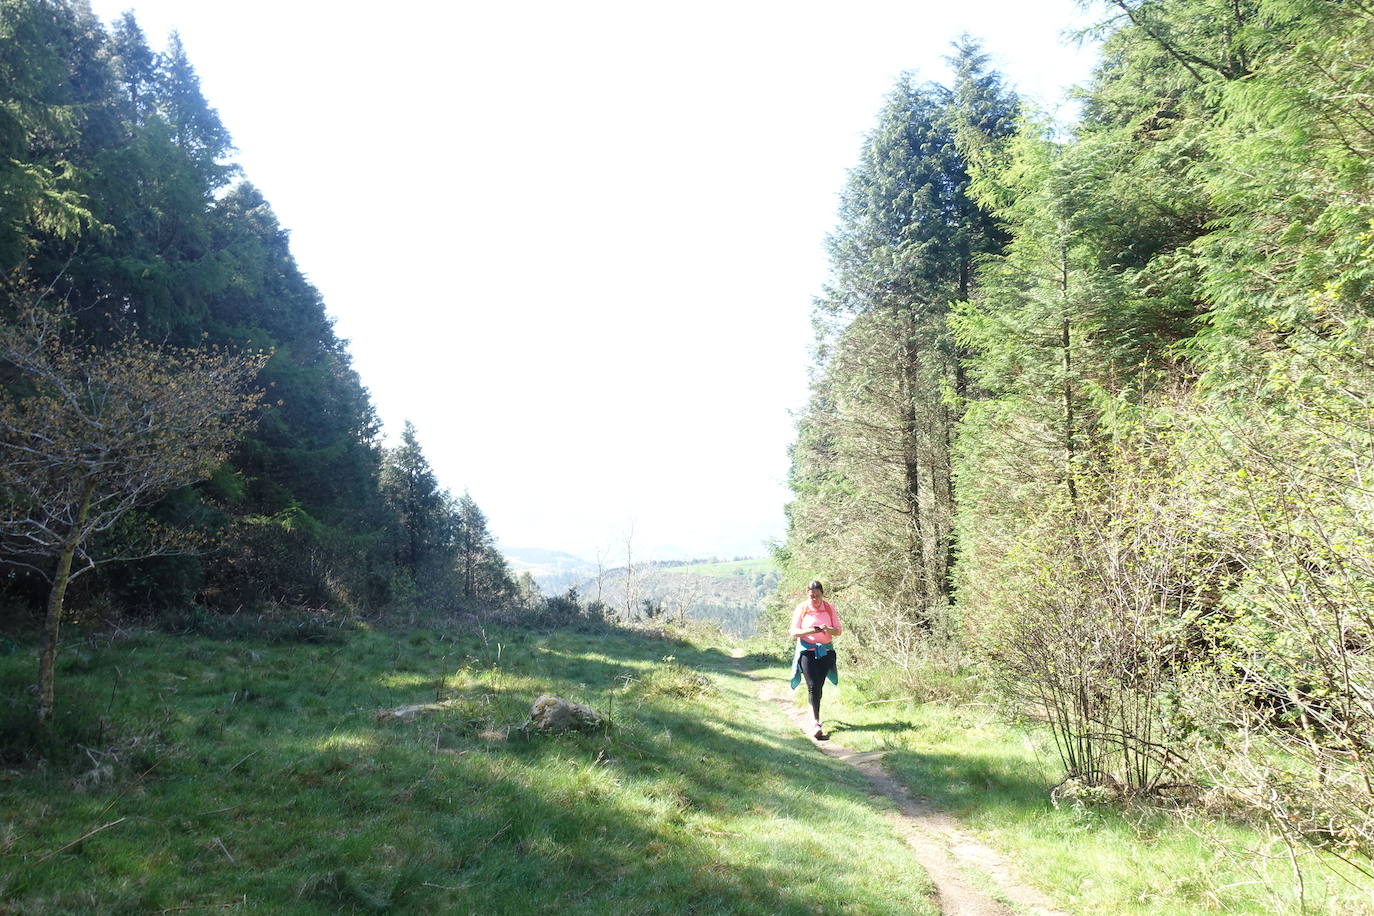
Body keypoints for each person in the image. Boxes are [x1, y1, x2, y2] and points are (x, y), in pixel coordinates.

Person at [789, 579, 842, 740]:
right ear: (808, 595)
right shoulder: (802, 608)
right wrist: (810, 631)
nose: (815, 599)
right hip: (807, 651)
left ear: (822, 594)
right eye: (812, 596)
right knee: (812, 685)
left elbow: (838, 631)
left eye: (817, 596)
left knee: (818, 686)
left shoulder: (829, 608)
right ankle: (815, 723)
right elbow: (794, 632)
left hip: (825, 651)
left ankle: (814, 714)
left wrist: (827, 629)